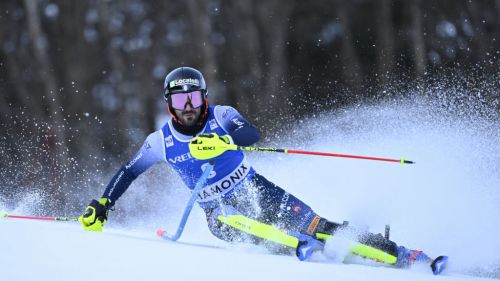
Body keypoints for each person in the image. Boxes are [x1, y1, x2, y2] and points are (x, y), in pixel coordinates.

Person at [80, 66, 445, 273]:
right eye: (180, 100)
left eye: (194, 98)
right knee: (231, 219)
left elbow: (251, 134)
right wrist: (102, 205)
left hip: (255, 188)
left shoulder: (221, 115)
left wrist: (226, 142)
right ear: (169, 105)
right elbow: (128, 172)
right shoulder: (159, 141)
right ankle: (290, 246)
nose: (188, 107)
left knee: (318, 225)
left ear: (204, 97)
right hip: (216, 210)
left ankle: (403, 254)